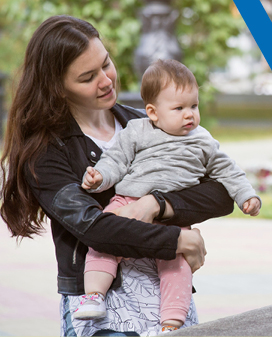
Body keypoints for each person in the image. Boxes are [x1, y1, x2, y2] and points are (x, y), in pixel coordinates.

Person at [0, 15, 236, 337]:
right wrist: (177, 239)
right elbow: (94, 228)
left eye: (105, 64)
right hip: (101, 307)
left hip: (167, 301)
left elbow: (221, 192)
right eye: (87, 77)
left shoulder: (148, 124)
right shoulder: (45, 151)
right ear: (58, 88)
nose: (106, 80)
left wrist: (156, 204)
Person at [77, 59, 261, 331]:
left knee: (177, 265)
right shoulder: (137, 131)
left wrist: (246, 195)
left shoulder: (202, 140)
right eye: (179, 108)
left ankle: (171, 323)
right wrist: (100, 176)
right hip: (128, 202)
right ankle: (94, 295)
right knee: (103, 243)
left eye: (194, 106)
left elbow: (227, 170)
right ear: (152, 112)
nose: (190, 115)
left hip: (172, 218)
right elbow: (116, 160)